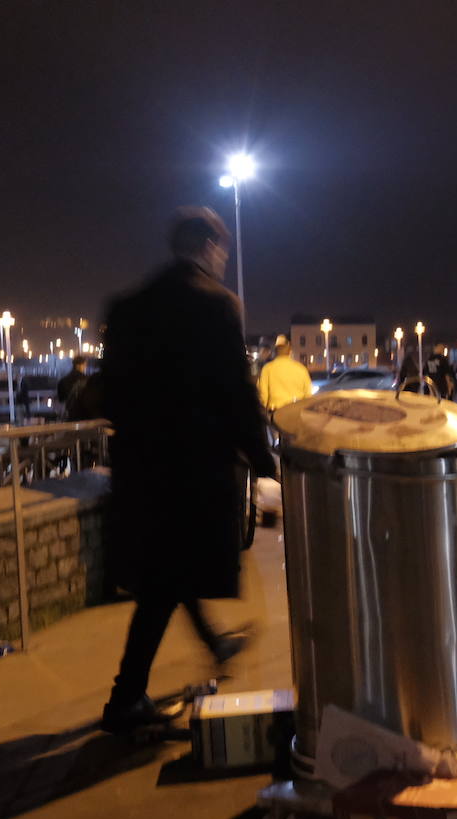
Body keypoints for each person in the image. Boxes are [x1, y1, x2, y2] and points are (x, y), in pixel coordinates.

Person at [98, 207, 275, 734]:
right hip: (194, 469)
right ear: (208, 246)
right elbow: (237, 390)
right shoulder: (218, 304)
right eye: (222, 250)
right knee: (168, 574)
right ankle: (124, 700)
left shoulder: (127, 307)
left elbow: (112, 390)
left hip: (140, 466)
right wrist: (264, 458)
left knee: (164, 571)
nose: (223, 260)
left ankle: (204, 647)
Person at [257, 341, 312, 412]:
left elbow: (263, 393)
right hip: (296, 409)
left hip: (275, 410)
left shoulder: (267, 368)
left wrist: (263, 408)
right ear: (290, 352)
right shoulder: (301, 369)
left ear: (275, 353)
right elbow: (308, 393)